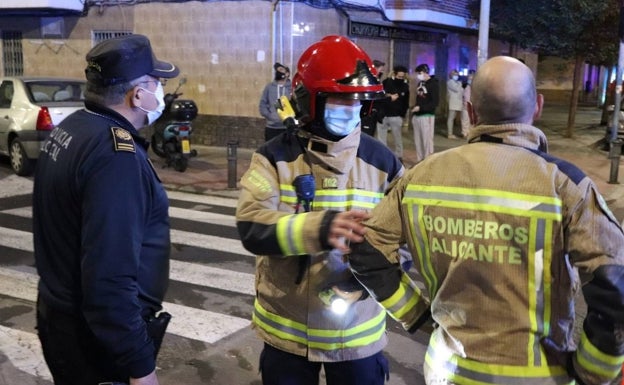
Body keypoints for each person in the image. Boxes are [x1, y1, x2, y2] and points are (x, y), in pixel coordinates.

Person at [348, 56, 624, 385]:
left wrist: (418, 316)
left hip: (445, 371)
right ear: (537, 106)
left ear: (471, 111)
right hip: (537, 377)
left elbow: (367, 253)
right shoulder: (565, 185)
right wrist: (594, 373)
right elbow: (615, 284)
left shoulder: (421, 176)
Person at [236, 35, 405, 385]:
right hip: (287, 336)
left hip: (356, 336)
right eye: (340, 102)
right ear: (308, 100)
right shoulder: (274, 157)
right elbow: (252, 225)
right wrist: (320, 229)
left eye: (357, 102)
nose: (351, 111)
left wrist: (366, 283)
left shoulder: (382, 162)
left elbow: (409, 235)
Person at [33, 34, 179, 385]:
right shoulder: (116, 156)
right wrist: (140, 367)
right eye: (156, 83)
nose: (160, 92)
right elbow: (109, 279)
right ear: (137, 94)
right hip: (95, 343)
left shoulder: (74, 127)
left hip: (60, 317)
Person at [376, 65, 410, 162]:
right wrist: (388, 96)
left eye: (402, 77)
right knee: (381, 138)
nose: (400, 78)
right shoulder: (386, 82)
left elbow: (406, 102)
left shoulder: (405, 86)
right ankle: (382, 156)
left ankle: (399, 156)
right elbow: (380, 96)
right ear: (394, 74)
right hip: (383, 115)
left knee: (397, 138)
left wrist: (402, 115)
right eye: (399, 76)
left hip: (396, 116)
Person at [411, 63, 439, 163]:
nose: (418, 75)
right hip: (417, 115)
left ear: (425, 72)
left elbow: (435, 102)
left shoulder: (433, 84)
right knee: (418, 141)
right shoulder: (420, 84)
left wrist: (421, 108)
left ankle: (428, 162)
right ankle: (419, 161)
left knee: (427, 141)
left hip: (427, 115)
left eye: (420, 73)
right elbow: (419, 98)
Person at [259, 62, 293, 141]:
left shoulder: (292, 88)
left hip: (288, 127)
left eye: (281, 70)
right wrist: (269, 116)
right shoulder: (269, 87)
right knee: (270, 152)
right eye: (277, 71)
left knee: (287, 152)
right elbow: (263, 103)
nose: (278, 72)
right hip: (272, 127)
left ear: (287, 73)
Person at [446, 69, 462, 139]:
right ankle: (450, 134)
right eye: (455, 75)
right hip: (453, 102)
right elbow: (456, 89)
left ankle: (451, 133)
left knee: (453, 118)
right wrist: (460, 84)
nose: (456, 76)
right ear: (451, 75)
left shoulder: (456, 82)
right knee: (451, 118)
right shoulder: (450, 82)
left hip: (457, 102)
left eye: (457, 75)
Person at [460, 69, 475, 138]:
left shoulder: (475, 87)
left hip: (472, 106)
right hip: (465, 105)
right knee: (465, 119)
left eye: (472, 76)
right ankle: (464, 133)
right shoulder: (465, 85)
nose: (470, 77)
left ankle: (470, 133)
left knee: (471, 120)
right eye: (469, 76)